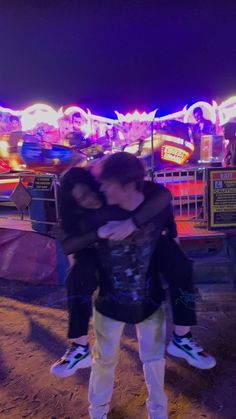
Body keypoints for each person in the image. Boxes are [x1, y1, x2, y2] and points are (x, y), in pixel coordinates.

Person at [50, 162, 216, 380]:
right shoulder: (87, 215)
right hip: (103, 257)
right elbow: (70, 245)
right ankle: (79, 346)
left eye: (92, 190)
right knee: (78, 275)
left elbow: (162, 198)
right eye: (81, 200)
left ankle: (182, 337)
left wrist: (133, 223)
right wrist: (98, 234)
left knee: (181, 265)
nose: (91, 199)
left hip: (144, 252)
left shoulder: (129, 194)